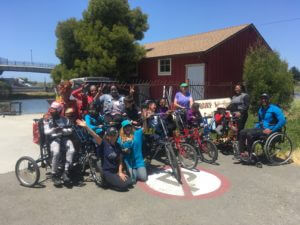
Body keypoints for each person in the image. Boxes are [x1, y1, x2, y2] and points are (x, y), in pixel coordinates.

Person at [76, 120, 132, 191]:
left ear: (117, 135)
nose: (113, 136)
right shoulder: (104, 144)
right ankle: (107, 183)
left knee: (130, 182)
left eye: (114, 134)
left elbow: (120, 160)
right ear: (108, 136)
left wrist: (120, 172)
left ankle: (113, 180)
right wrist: (86, 127)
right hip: (107, 172)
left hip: (116, 170)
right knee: (124, 186)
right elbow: (95, 135)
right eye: (111, 135)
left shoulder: (118, 145)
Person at [238, 93, 286, 160]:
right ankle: (242, 153)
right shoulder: (261, 109)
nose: (263, 100)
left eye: (265, 98)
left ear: (268, 100)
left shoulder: (275, 109)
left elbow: (282, 121)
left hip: (271, 130)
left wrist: (272, 130)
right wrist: (255, 127)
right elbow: (260, 121)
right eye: (262, 99)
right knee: (242, 132)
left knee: (250, 134)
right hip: (261, 129)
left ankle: (250, 154)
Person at [44, 101, 75, 186]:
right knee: (56, 152)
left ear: (59, 111)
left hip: (64, 137)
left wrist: (62, 130)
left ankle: (65, 172)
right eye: (51, 109)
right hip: (53, 139)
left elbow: (70, 130)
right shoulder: (47, 119)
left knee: (71, 150)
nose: (51, 110)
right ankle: (54, 174)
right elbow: (46, 132)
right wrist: (54, 130)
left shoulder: (65, 119)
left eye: (53, 109)